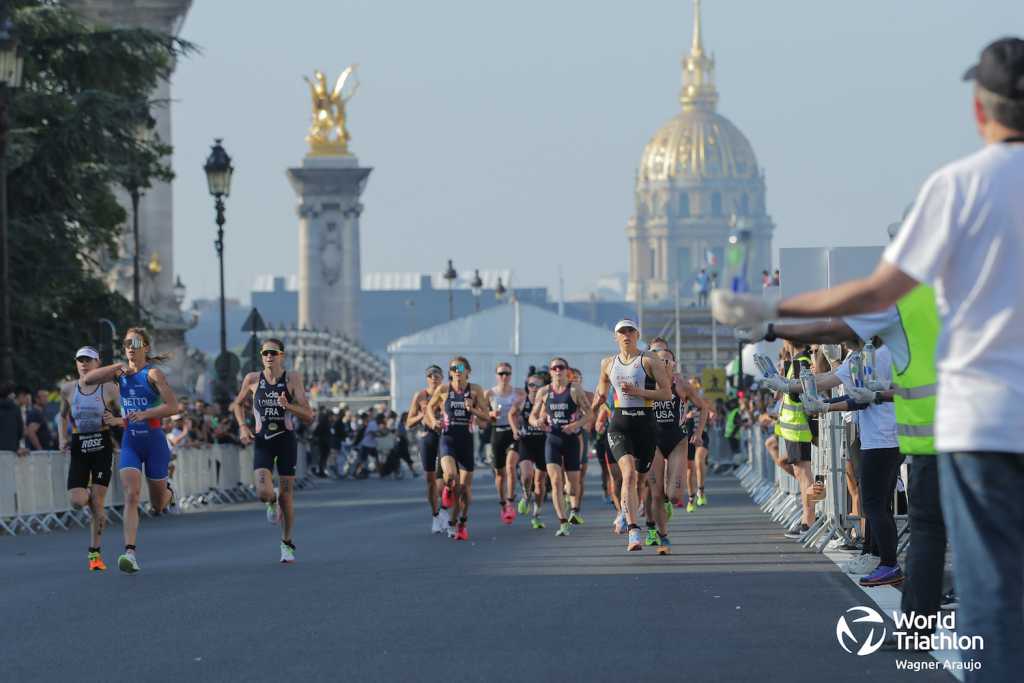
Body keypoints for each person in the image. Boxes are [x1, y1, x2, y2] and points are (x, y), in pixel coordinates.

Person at [712, 36, 1024, 680]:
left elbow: (874, 293)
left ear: (978, 109)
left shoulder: (958, 188)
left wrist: (768, 315)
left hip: (983, 426)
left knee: (992, 590)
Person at [83, 328, 179, 574]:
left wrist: (145, 414)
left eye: (136, 343)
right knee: (131, 495)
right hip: (131, 443)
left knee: (158, 505)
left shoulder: (153, 374)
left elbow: (173, 406)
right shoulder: (120, 374)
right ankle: (130, 553)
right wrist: (116, 366)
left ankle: (168, 493)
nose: (130, 347)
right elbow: (87, 380)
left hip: (155, 442)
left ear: (146, 347)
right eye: (127, 343)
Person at [592, 319, 673, 551]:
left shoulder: (648, 360)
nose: (626, 335)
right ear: (615, 337)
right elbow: (602, 392)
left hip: (646, 425)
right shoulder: (607, 363)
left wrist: (638, 391)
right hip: (619, 424)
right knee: (627, 475)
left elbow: (666, 393)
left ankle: (638, 513)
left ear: (637, 335)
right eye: (621, 332)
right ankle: (633, 530)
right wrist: (592, 411)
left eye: (630, 331)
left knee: (640, 480)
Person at [232, 337, 314, 563]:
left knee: (287, 496)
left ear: (282, 356)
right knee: (263, 493)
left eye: (273, 353)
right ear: (261, 356)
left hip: (286, 440)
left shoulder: (292, 378)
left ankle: (286, 543)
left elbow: (308, 415)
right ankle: (271, 500)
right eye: (265, 353)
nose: (269, 357)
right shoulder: (252, 379)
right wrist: (242, 427)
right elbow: (237, 404)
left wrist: (289, 406)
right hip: (263, 442)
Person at [58, 346, 121, 571]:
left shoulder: (110, 389)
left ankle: (94, 555)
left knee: (98, 501)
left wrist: (115, 422)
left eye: (89, 360)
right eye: (80, 360)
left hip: (102, 445)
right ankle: (93, 504)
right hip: (79, 446)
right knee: (77, 501)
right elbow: (63, 416)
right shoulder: (67, 389)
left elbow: (123, 417)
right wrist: (61, 439)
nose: (84, 364)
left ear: (98, 363)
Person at [647, 348, 708, 553]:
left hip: (677, 441)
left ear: (674, 364)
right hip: (653, 441)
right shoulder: (646, 383)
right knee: (656, 494)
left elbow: (704, 407)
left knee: (673, 496)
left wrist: (698, 432)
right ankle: (663, 537)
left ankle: (667, 503)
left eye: (667, 361)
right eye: (659, 361)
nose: (663, 364)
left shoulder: (682, 385)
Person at [424, 357, 490, 541]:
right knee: (451, 476)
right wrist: (433, 421)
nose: (457, 371)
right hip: (447, 439)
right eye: (453, 368)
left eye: (461, 368)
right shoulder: (443, 389)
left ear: (468, 371)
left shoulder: (475, 390)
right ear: (450, 372)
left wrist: (473, 410)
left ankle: (458, 523)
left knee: (465, 490)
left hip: (466, 441)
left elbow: (486, 419)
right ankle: (447, 490)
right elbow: (429, 408)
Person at [529, 357, 592, 537]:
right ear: (550, 372)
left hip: (571, 439)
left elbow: (590, 414)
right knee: (555, 481)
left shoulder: (574, 389)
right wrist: (538, 422)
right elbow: (532, 416)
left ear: (566, 370)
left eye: (561, 367)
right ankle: (563, 522)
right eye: (554, 368)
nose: (558, 370)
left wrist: (575, 425)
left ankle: (573, 506)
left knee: (572, 485)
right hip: (553, 439)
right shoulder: (544, 391)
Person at [484, 362, 525, 525]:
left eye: (507, 373)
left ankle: (510, 501)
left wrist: (520, 416)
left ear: (511, 374)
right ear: (496, 375)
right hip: (497, 432)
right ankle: (502, 502)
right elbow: (480, 414)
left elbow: (527, 410)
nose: (504, 377)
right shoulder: (489, 394)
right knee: (500, 473)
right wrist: (490, 414)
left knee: (510, 466)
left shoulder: (519, 393)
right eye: (501, 373)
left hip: (513, 432)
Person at [407, 365, 445, 533]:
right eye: (430, 375)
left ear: (442, 377)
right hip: (427, 436)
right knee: (430, 480)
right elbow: (408, 422)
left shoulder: (447, 393)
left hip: (445, 436)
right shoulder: (420, 395)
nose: (433, 377)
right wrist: (423, 415)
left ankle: (444, 508)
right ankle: (435, 515)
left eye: (436, 374)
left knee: (445, 479)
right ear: (426, 378)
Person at [509, 372, 549, 529]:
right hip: (526, 441)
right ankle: (526, 495)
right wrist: (514, 430)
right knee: (526, 476)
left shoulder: (546, 401)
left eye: (537, 385)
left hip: (543, 442)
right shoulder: (521, 401)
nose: (533, 388)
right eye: (531, 385)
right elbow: (511, 414)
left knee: (540, 483)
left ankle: (536, 514)